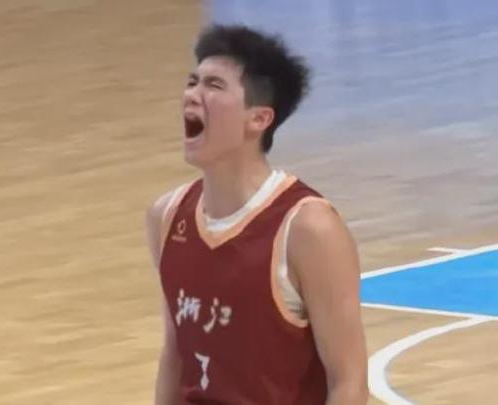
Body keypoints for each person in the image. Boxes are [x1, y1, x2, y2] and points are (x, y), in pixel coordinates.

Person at [145, 25, 368, 404]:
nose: (192, 95)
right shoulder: (166, 217)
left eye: (213, 86)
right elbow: (175, 356)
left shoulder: (308, 229)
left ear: (259, 119)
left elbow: (349, 383)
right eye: (192, 82)